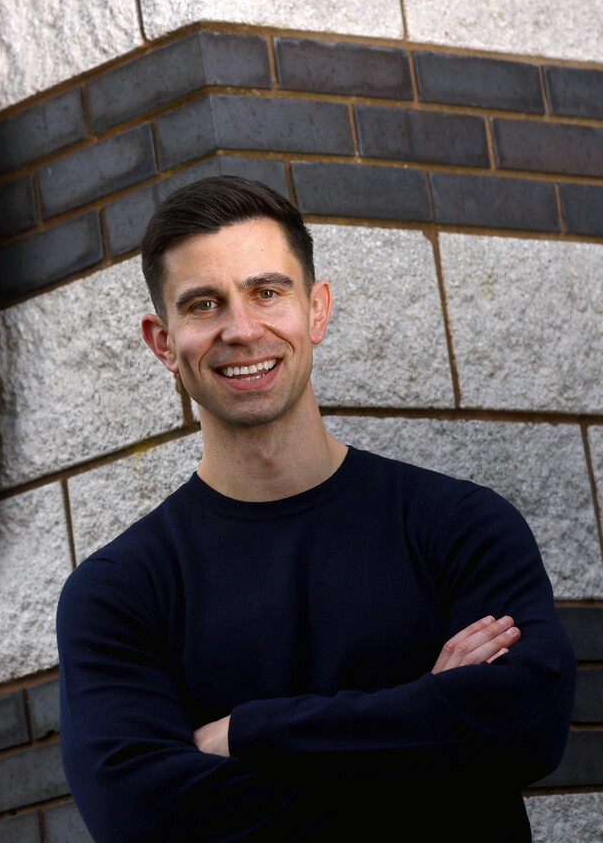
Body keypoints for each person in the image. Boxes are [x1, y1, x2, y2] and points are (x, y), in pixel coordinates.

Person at [56, 176, 575, 842]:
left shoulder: (458, 526)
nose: (242, 331)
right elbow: (148, 822)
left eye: (267, 293)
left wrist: (249, 733)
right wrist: (428, 726)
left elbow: (525, 727)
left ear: (317, 309)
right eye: (205, 305)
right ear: (162, 342)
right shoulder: (119, 595)